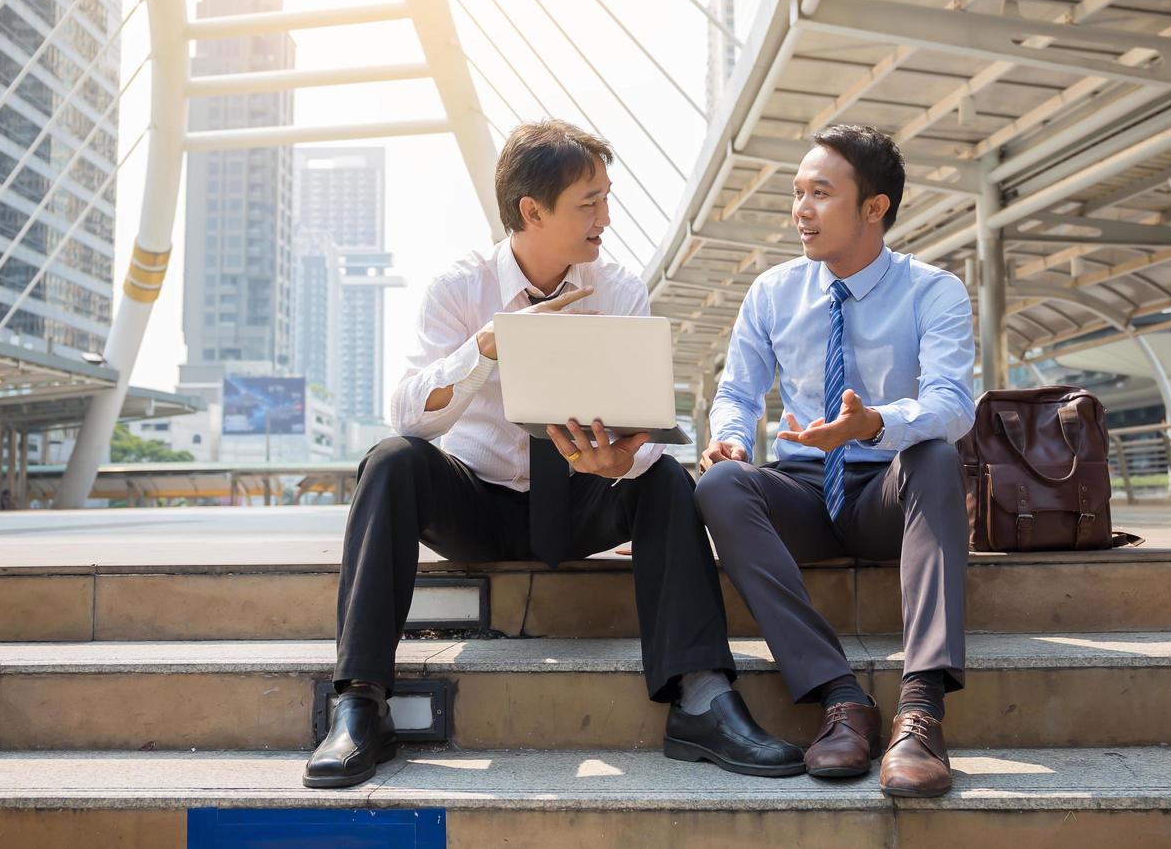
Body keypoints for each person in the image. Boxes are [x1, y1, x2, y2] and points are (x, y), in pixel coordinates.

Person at [304, 120, 802, 788]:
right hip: (477, 502)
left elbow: (644, 432)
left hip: (580, 501)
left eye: (607, 197)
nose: (606, 217)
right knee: (391, 459)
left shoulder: (619, 290)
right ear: (531, 211)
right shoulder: (461, 287)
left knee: (668, 483)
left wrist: (619, 463)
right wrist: (486, 347)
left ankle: (702, 698)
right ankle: (360, 701)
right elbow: (408, 413)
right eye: (588, 202)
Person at [694, 124, 974, 798]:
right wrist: (731, 437)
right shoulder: (772, 292)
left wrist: (874, 424)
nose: (801, 210)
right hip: (802, 491)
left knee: (936, 455)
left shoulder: (933, 291)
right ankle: (841, 698)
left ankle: (920, 710)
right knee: (723, 483)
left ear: (874, 207)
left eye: (820, 193)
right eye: (797, 194)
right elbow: (736, 392)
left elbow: (952, 404)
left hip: (887, 491)